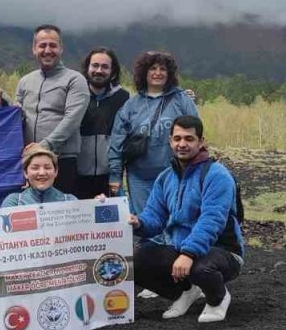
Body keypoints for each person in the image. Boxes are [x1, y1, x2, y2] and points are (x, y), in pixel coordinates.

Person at [127, 115, 244, 324]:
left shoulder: (217, 175)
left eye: (189, 139)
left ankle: (217, 298)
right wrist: (139, 223)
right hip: (182, 249)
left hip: (223, 251)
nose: (182, 144)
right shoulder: (165, 178)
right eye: (177, 138)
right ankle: (186, 292)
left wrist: (189, 254)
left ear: (201, 142)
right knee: (136, 261)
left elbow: (212, 220)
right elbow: (154, 216)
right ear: (170, 141)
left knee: (202, 268)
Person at [108, 50, 198, 217]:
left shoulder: (182, 100)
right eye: (152, 68)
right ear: (144, 73)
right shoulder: (131, 106)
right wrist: (115, 175)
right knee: (146, 223)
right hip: (139, 178)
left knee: (175, 222)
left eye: (163, 69)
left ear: (169, 73)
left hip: (175, 175)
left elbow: (196, 135)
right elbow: (117, 142)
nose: (158, 73)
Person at [15, 25, 89, 193]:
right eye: (42, 45)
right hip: (29, 163)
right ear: (34, 49)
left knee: (60, 215)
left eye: (53, 45)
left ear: (61, 48)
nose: (47, 50)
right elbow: (15, 118)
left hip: (62, 160)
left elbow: (72, 119)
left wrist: (44, 146)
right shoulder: (24, 81)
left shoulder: (75, 80)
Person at [75, 47, 130, 200]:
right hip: (76, 176)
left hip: (109, 177)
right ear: (87, 68)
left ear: (113, 72)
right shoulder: (75, 95)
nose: (99, 71)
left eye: (105, 67)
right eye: (95, 65)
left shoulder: (123, 98)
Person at [2, 144, 79, 207]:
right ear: (25, 173)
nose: (42, 173)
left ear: (56, 172)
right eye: (35, 168)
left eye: (47, 167)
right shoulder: (14, 202)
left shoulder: (70, 201)